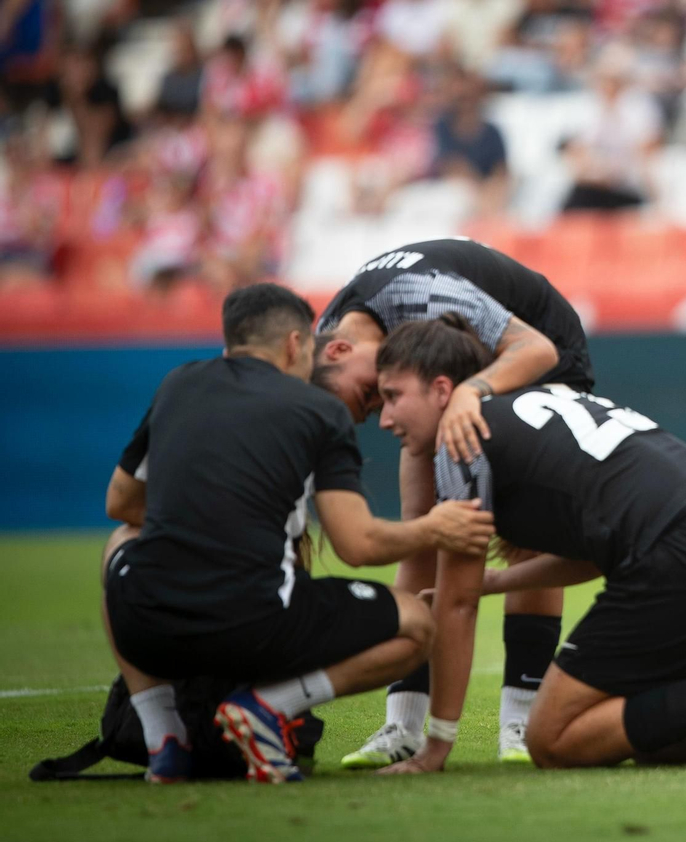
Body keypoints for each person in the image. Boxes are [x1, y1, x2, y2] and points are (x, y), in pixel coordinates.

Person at [369, 317, 686, 771]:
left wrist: (437, 744)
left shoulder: (461, 436)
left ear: (441, 389)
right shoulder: (538, 402)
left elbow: (455, 607)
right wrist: (499, 581)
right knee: (655, 742)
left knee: (553, 741)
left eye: (393, 396)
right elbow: (594, 553)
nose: (384, 418)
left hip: (681, 553)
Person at [101, 284, 495, 784]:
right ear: (294, 345)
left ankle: (164, 737)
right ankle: (266, 707)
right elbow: (356, 546)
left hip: (146, 626)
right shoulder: (316, 409)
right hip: (251, 625)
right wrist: (434, 527)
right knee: (417, 623)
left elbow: (120, 503)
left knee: (120, 543)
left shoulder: (178, 383)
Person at [313, 238, 593, 766]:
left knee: (524, 537)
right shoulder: (334, 338)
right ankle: (402, 725)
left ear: (339, 351)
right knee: (422, 526)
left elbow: (538, 350)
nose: (376, 409)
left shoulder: (417, 293)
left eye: (368, 396)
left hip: (535, 356)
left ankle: (521, 721)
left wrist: (471, 393)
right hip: (448, 373)